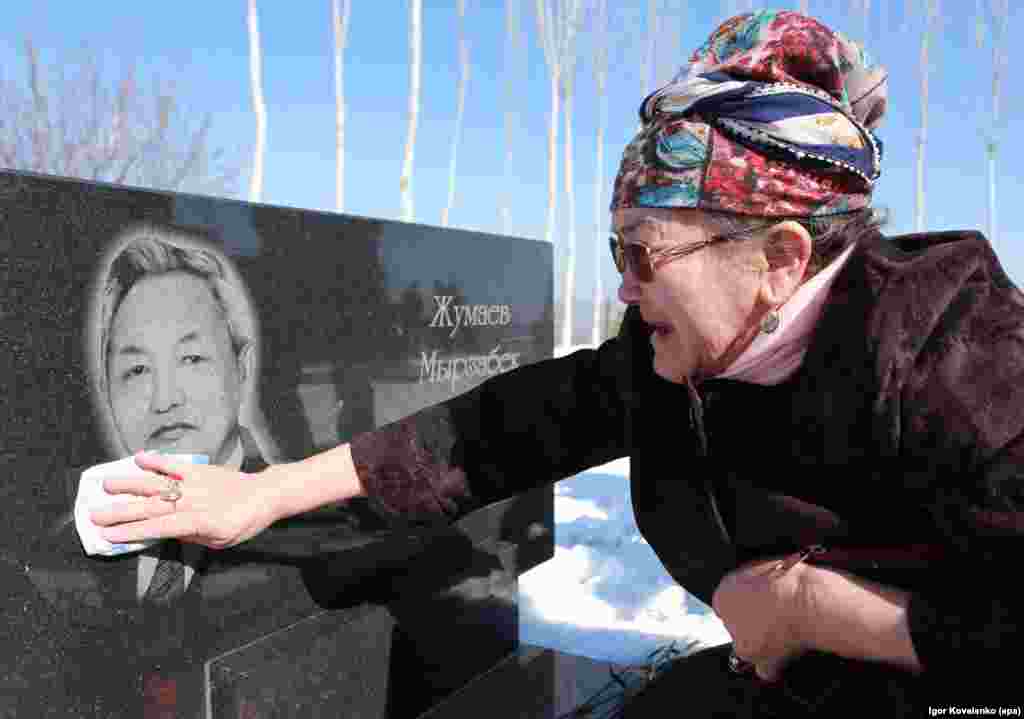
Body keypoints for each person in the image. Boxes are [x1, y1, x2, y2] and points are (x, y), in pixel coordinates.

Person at [93, 10, 1024, 715]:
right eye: (614, 249)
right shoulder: (676, 356)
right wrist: (267, 492)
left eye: (643, 254)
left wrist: (819, 609)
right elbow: (489, 433)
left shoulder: (964, 358)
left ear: (779, 258)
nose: (622, 286)